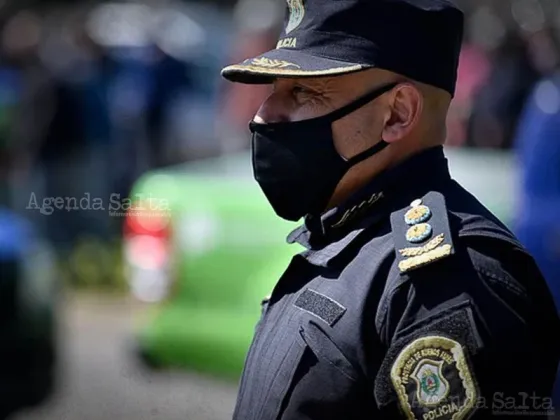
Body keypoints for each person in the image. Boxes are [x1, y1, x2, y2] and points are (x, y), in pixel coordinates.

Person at [219, 0, 560, 418]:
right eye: (273, 90)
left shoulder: (446, 282)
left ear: (398, 113)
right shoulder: (345, 240)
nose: (264, 114)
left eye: (303, 91)